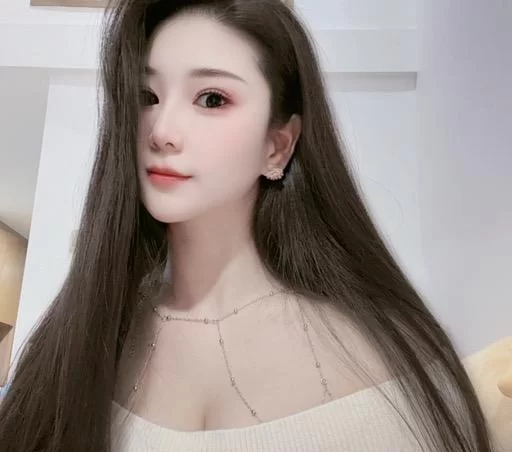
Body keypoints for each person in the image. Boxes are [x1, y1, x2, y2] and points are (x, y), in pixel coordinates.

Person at [0, 0, 495, 451]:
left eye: (212, 99)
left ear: (277, 146)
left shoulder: (382, 364)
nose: (163, 131)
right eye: (146, 95)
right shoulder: (84, 335)